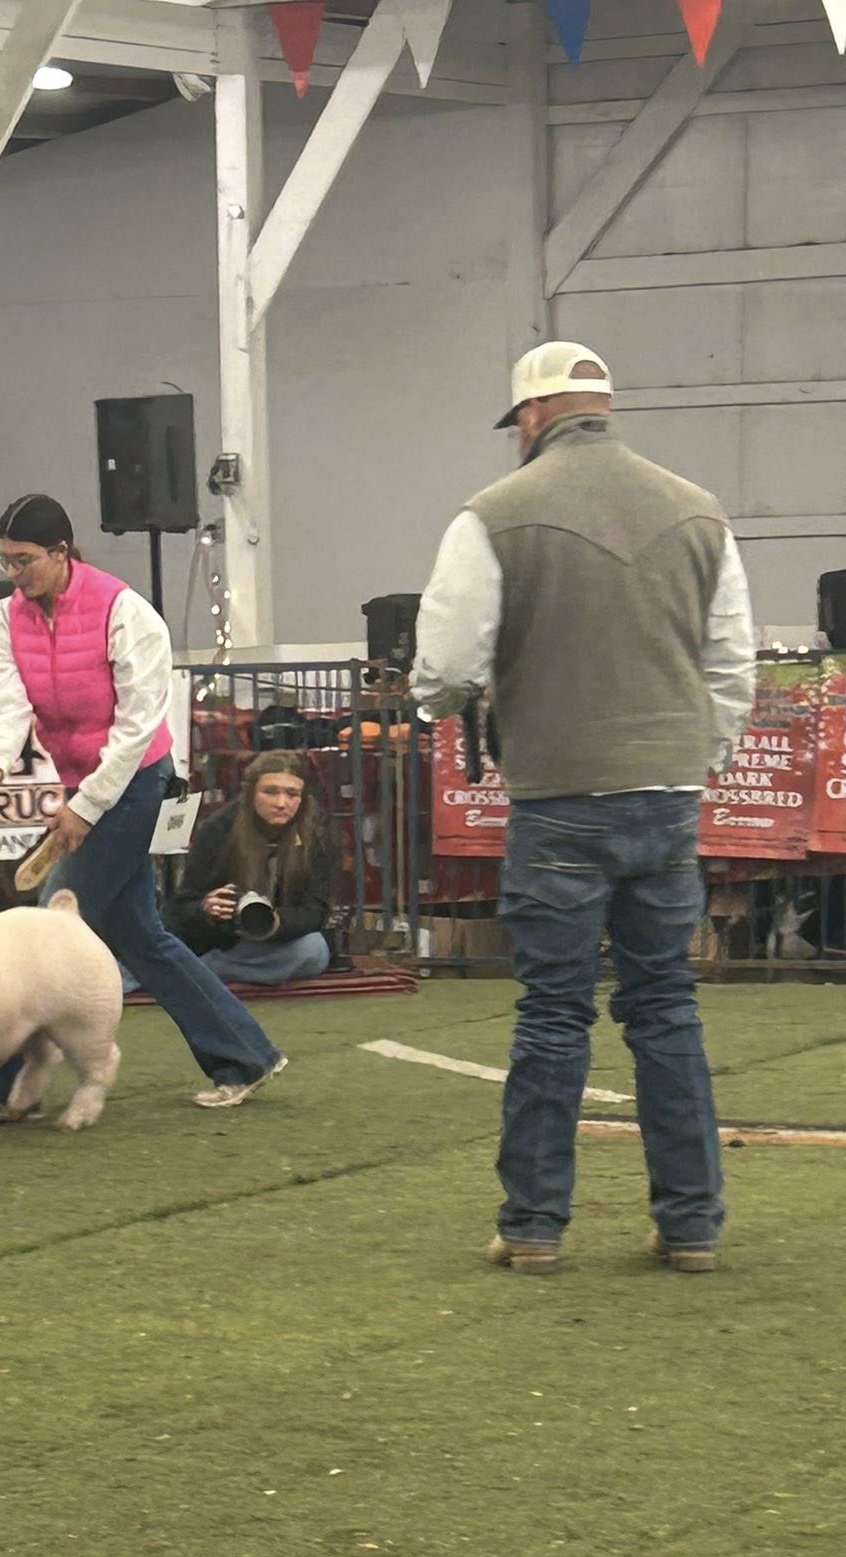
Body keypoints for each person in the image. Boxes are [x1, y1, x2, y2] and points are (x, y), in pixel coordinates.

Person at [410, 341, 757, 1277]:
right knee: (666, 1009)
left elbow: (444, 665)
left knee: (554, 1015)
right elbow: (732, 666)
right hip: (667, 796)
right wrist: (697, 759)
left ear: (530, 418)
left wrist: (442, 708)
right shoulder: (699, 511)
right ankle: (692, 1225)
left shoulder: (493, 515)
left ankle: (533, 1227)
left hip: (559, 796)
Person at [0, 493, 286, 1112]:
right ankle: (246, 1055)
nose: (14, 575)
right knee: (140, 937)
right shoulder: (5, 618)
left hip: (138, 779)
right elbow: (10, 707)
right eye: (5, 562)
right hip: (88, 784)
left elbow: (137, 727)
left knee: (48, 928)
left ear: (61, 552)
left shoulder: (127, 612)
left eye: (23, 560)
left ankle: (3, 1088)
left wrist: (85, 808)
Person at [165, 751, 334, 985]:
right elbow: (180, 908)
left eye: (292, 794)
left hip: (277, 940)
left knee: (314, 950)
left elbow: (316, 911)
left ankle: (195, 974)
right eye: (270, 792)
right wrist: (206, 908)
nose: (281, 803)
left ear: (303, 797)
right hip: (223, 940)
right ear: (251, 792)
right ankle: (201, 971)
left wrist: (275, 923)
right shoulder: (218, 829)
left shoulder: (315, 834)